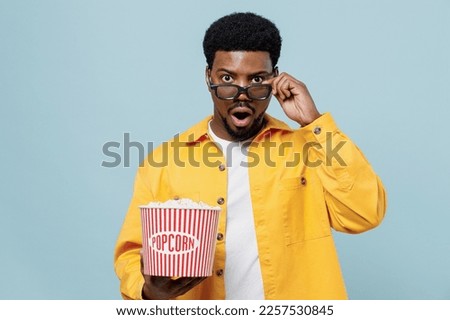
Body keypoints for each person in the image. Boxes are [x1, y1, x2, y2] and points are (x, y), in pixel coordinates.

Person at [114, 12, 387, 300]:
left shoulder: (308, 149)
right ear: (209, 77)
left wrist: (313, 122)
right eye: (227, 78)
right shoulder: (165, 163)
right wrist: (147, 292)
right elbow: (132, 252)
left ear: (274, 79)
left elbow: (364, 214)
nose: (241, 94)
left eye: (256, 79)